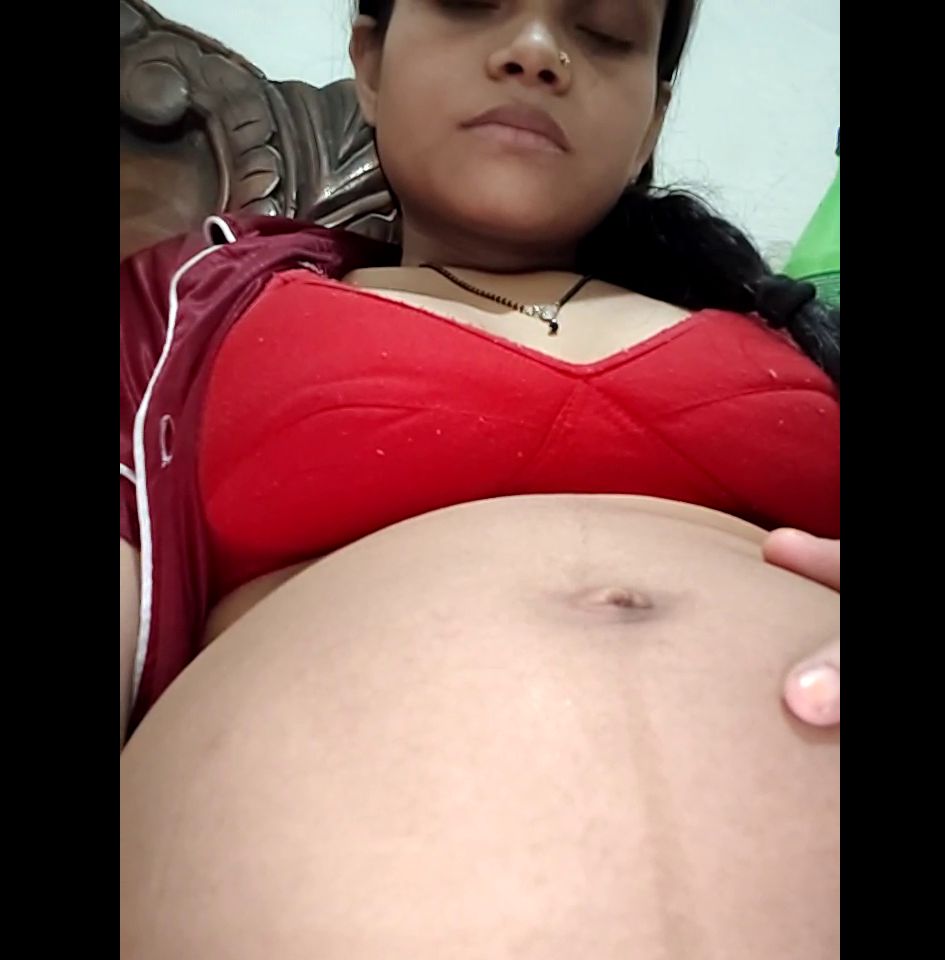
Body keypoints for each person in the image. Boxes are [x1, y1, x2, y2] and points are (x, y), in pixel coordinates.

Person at [120, 1, 840, 955]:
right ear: (369, 59)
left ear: (652, 122)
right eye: (469, 1)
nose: (537, 53)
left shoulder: (785, 335)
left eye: (605, 31)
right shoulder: (195, 302)